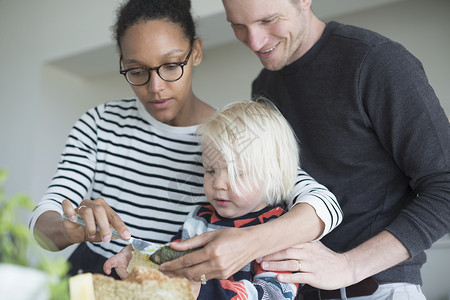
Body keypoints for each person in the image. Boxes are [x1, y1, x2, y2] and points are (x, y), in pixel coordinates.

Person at [29, 0, 342, 281]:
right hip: (89, 274)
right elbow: (42, 223)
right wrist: (76, 230)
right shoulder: (100, 123)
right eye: (136, 71)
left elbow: (324, 206)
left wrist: (252, 242)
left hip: (168, 285)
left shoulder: (230, 136)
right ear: (123, 62)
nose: (156, 87)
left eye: (170, 66)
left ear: (196, 52)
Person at [217, 0, 450, 299]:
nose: (254, 41)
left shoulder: (376, 61)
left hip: (374, 288)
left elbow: (445, 185)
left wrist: (348, 266)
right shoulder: (264, 87)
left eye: (268, 20)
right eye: (237, 26)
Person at [107, 100, 303, 299]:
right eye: (210, 170)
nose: (218, 183)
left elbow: (275, 294)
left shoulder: (281, 231)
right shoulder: (200, 218)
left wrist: (202, 291)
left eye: (236, 174)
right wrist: (138, 256)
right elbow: (172, 261)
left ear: (274, 173)